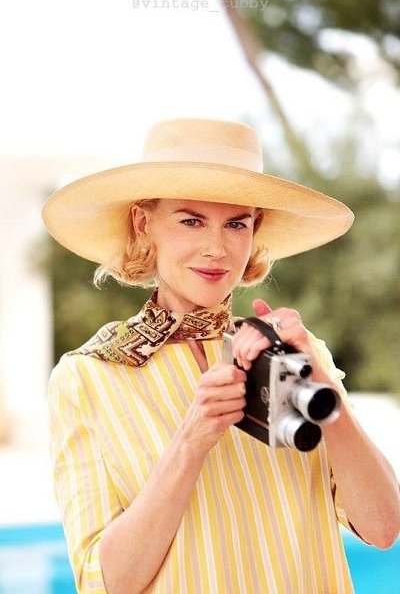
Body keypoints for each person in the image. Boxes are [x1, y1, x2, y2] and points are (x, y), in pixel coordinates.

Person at [42, 118, 400, 594]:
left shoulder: (296, 353)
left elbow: (382, 529)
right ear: (144, 224)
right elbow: (106, 582)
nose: (216, 248)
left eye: (236, 224)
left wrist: (325, 394)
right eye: (190, 220)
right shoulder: (87, 376)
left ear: (255, 230)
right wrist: (191, 440)